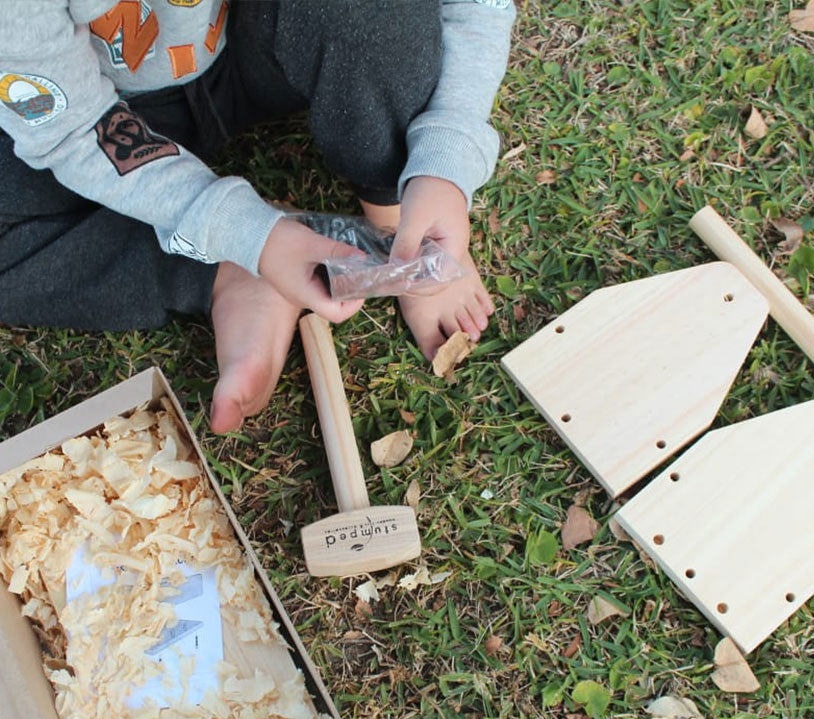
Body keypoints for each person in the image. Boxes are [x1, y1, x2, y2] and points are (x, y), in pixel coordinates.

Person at [0, 0, 515, 432]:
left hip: (256, 41)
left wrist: (442, 163)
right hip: (90, 109)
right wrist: (248, 235)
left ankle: (398, 229)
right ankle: (228, 270)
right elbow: (70, 127)